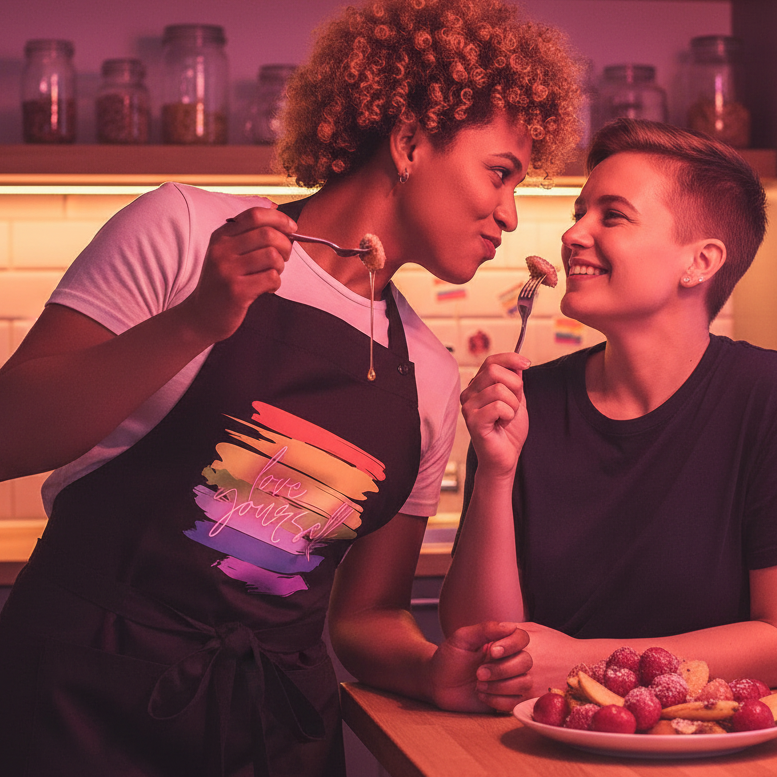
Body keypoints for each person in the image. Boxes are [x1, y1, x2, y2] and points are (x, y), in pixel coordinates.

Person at [0, 0, 581, 774]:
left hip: (273, 732)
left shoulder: (430, 375)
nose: (509, 215)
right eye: (499, 173)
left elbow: (368, 616)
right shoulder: (183, 229)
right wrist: (196, 320)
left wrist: (429, 668)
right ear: (409, 141)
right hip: (77, 705)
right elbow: (9, 435)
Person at [440, 118, 777, 709]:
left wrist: (585, 662)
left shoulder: (765, 396)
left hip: (704, 747)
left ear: (700, 261)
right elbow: (482, 650)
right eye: (579, 212)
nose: (573, 233)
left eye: (612, 215)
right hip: (539, 740)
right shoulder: (526, 404)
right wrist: (495, 473)